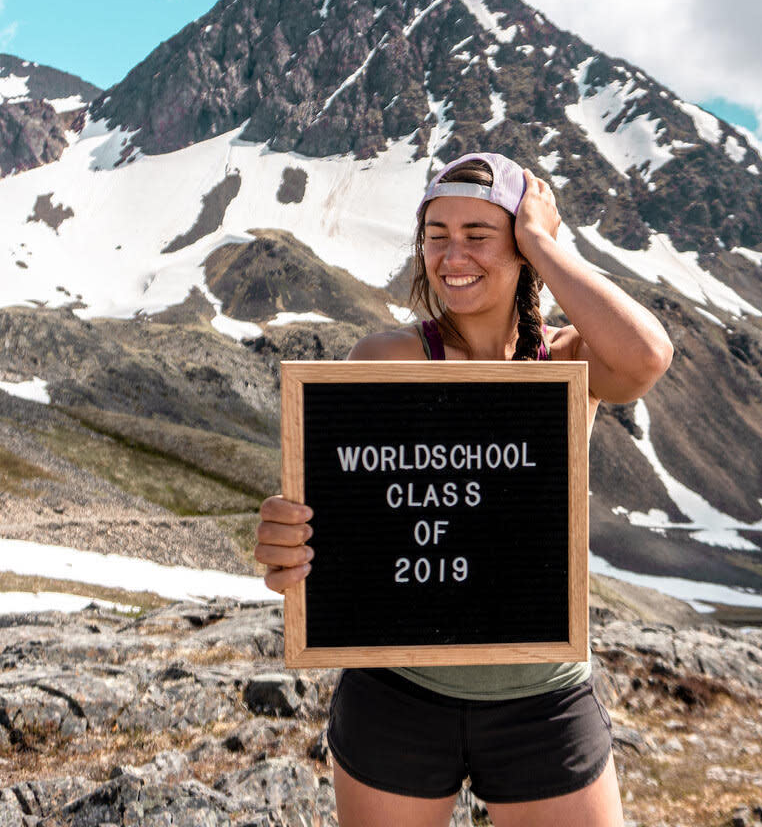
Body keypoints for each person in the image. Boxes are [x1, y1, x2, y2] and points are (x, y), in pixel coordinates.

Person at [255, 151, 674, 827]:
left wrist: (544, 242)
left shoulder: (568, 362)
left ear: (518, 240)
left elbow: (646, 357)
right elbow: (349, 521)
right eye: (436, 235)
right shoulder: (388, 358)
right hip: (398, 693)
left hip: (544, 697)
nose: (454, 254)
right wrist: (292, 548)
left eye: (479, 234)